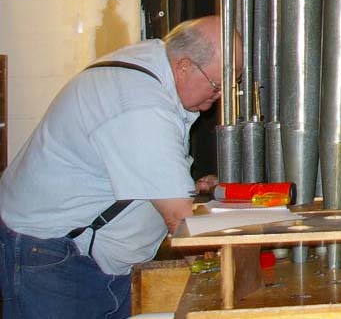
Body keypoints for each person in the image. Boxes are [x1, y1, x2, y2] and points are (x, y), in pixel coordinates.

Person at [0, 16, 237, 318]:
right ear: (185, 66)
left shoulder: (155, 65)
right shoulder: (140, 103)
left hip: (86, 258)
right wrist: (217, 284)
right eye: (217, 84)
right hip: (54, 258)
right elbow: (179, 219)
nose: (220, 96)